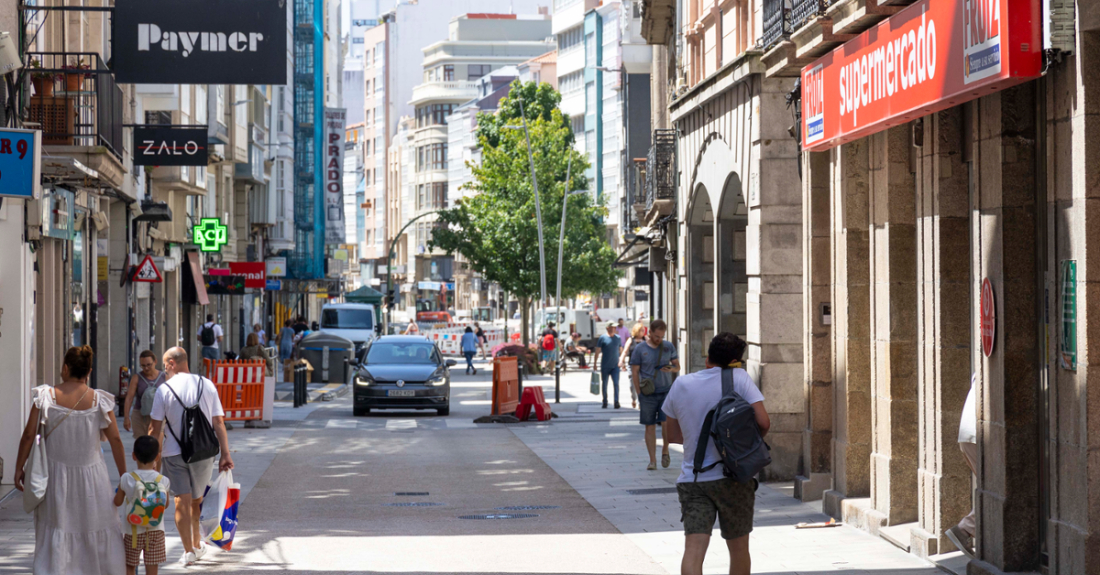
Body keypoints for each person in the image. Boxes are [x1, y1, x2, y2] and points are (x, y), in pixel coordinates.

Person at [662, 333, 769, 575]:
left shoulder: (681, 384)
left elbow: (672, 435)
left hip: (694, 479)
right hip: (734, 478)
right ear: (736, 360)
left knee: (693, 550)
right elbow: (764, 422)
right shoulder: (739, 378)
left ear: (708, 355)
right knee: (739, 549)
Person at [14, 345, 127, 575]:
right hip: (93, 478)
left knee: (58, 526)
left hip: (56, 478)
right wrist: (124, 477)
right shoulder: (99, 400)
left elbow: (28, 434)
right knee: (94, 525)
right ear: (89, 370)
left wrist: (19, 468)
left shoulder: (46, 397)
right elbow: (116, 439)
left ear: (65, 368)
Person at [150, 347, 234, 567]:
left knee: (181, 502)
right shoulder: (207, 384)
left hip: (172, 453)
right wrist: (225, 454)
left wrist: (151, 462)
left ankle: (188, 550)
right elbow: (218, 422)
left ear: (171, 363)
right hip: (203, 453)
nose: (163, 369)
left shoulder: (164, 390)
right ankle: (196, 545)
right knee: (197, 501)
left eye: (164, 365)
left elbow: (154, 429)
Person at [113, 436, 170, 575]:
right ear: (157, 457)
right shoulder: (163, 480)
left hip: (132, 530)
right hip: (156, 530)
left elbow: (117, 502)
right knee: (152, 567)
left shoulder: (127, 478)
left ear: (133, 456)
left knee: (130, 566)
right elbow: (166, 504)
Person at [630, 319, 680, 470]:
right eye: (657, 336)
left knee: (666, 423)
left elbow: (677, 366)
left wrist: (671, 369)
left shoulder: (668, 346)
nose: (659, 339)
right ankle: (652, 460)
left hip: (666, 391)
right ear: (649, 332)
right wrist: (639, 393)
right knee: (649, 426)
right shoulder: (640, 349)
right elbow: (635, 372)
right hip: (648, 393)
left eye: (661, 337)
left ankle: (665, 449)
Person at [945, 373, 979, 559]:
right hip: (977, 435)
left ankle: (967, 530)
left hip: (968, 436)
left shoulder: (979, 373)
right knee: (997, 489)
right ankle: (964, 529)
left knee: (992, 488)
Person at [124, 350, 166, 439]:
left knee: (157, 445)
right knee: (141, 445)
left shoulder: (164, 377)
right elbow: (129, 398)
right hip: (140, 416)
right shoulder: (136, 378)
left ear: (155, 362)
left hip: (158, 416)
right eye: (143, 366)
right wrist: (126, 417)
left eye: (149, 365)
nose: (146, 368)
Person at [592, 321, 622, 409]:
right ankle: (605, 401)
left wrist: (622, 361)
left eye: (615, 327)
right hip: (605, 365)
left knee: (616, 383)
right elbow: (597, 351)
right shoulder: (602, 338)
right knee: (604, 383)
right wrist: (595, 363)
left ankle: (616, 401)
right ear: (608, 328)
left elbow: (620, 349)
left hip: (615, 366)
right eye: (612, 327)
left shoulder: (618, 338)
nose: (614, 329)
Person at [619, 323, 647, 409]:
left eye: (643, 330)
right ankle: (633, 398)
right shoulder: (631, 340)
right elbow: (625, 351)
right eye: (641, 330)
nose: (643, 332)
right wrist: (621, 361)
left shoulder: (646, 339)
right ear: (637, 331)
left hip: (643, 366)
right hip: (632, 366)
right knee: (632, 385)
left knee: (642, 383)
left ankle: (640, 402)